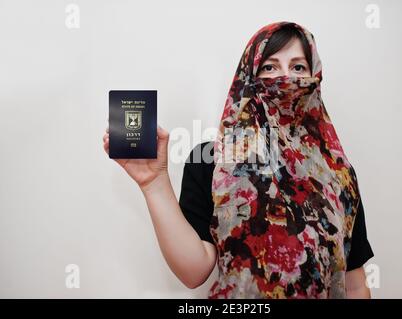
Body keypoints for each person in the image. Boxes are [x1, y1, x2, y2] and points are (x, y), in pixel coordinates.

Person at [102, 21, 374, 299]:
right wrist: (154, 183)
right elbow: (193, 272)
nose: (285, 78)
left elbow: (354, 284)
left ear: (314, 77)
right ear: (249, 78)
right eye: (269, 67)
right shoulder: (210, 160)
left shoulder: (337, 172)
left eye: (298, 67)